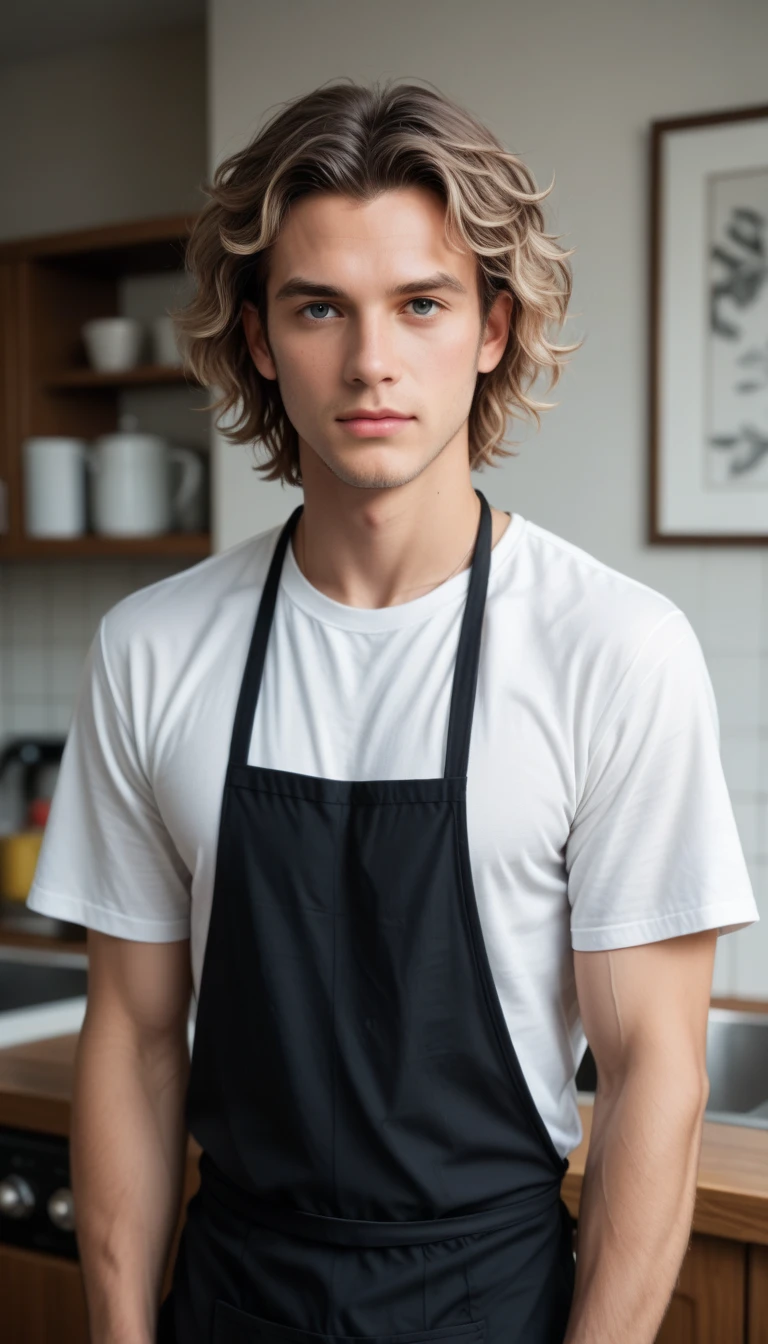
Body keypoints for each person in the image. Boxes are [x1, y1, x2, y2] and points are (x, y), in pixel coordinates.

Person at [26, 78, 759, 1344]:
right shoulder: (153, 647)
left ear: (489, 329)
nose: (371, 360)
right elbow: (136, 1041)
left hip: (492, 1301)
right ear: (259, 338)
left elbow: (656, 1083)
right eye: (320, 307)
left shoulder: (615, 651)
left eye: (421, 304)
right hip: (231, 1294)